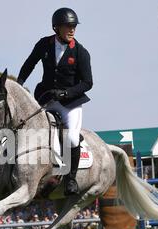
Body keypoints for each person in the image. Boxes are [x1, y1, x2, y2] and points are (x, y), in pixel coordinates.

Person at [17, 7, 93, 195]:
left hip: (71, 103)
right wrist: (19, 85)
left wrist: (67, 93)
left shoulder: (81, 52)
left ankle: (71, 179)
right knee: (30, 128)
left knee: (72, 137)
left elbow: (87, 83)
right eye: (68, 26)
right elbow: (29, 64)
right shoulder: (44, 44)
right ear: (56, 28)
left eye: (74, 26)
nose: (72, 30)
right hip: (46, 98)